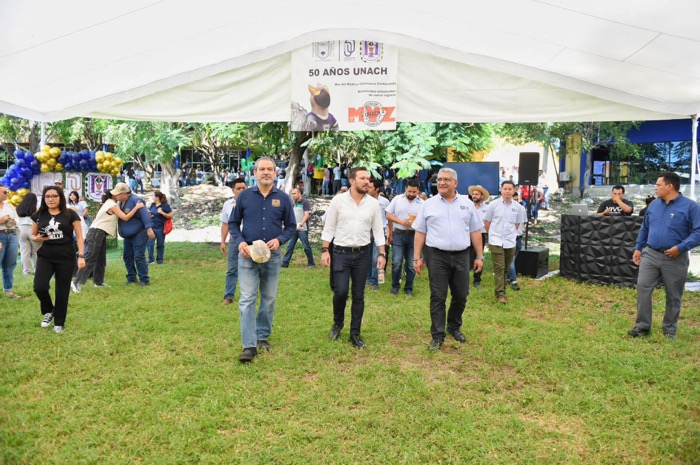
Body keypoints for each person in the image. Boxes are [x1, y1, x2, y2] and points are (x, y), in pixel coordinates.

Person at [229, 157, 296, 362]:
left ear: (276, 173)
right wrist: (240, 241)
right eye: (262, 169)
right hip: (248, 254)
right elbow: (233, 223)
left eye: (270, 169)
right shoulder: (244, 197)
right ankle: (249, 346)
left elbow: (291, 227)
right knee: (247, 298)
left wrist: (280, 240)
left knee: (268, 298)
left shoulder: (284, 198)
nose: (266, 172)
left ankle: (262, 336)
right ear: (255, 173)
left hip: (272, 256)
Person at [413, 167, 484, 350]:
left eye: (446, 179)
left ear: (456, 183)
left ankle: (454, 326)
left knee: (461, 295)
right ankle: (437, 335)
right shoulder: (428, 204)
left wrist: (479, 256)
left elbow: (476, 231)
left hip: (462, 255)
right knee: (438, 296)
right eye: (439, 180)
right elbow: (420, 232)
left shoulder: (467, 204)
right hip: (436, 255)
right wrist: (417, 258)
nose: (442, 183)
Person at [629, 172, 700, 340]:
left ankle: (669, 329)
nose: (655, 188)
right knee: (643, 288)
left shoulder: (691, 207)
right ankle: (642, 326)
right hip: (650, 254)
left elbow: (698, 232)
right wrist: (638, 248)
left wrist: (681, 247)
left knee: (674, 294)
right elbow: (645, 228)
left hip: (675, 257)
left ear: (669, 186)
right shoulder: (653, 205)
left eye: (658, 185)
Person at [322, 167, 386, 349]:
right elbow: (329, 227)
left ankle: (355, 333)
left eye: (368, 179)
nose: (368, 182)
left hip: (362, 254)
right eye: (363, 178)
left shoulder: (373, 204)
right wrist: (325, 250)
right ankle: (337, 323)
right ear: (352, 181)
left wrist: (381, 253)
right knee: (340, 291)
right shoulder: (338, 201)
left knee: (359, 295)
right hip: (341, 253)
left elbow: (378, 230)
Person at [31, 185, 86, 333]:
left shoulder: (70, 214)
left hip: (66, 257)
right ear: (44, 198)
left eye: (54, 196)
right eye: (47, 196)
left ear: (60, 197)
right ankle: (49, 310)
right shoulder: (39, 214)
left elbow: (80, 236)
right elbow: (33, 235)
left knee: (62, 290)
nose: (51, 199)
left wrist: (81, 256)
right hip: (45, 256)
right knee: (39, 287)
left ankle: (59, 322)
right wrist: (37, 238)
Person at [71, 192, 144, 292]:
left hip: (100, 233)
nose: (119, 195)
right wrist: (137, 207)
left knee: (100, 259)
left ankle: (98, 282)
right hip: (97, 232)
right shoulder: (112, 204)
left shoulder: (109, 203)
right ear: (113, 196)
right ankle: (77, 282)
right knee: (91, 257)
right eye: (117, 194)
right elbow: (125, 217)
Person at [483, 181, 527, 305]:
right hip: (496, 240)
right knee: (499, 268)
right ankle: (500, 294)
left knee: (506, 268)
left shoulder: (519, 208)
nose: (507, 191)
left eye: (510, 189)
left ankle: (503, 289)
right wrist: (491, 237)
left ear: (514, 191)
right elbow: (487, 222)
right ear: (501, 190)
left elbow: (519, 224)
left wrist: (512, 234)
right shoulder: (493, 205)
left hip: (510, 241)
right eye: (505, 189)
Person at [111, 182, 155, 286]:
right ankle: (131, 278)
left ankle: (144, 280)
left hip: (139, 233)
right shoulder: (120, 203)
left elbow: (145, 215)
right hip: (128, 235)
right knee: (127, 256)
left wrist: (149, 228)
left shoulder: (136, 200)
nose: (115, 196)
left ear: (125, 194)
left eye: (117, 194)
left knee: (139, 256)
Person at [385, 179, 423, 296]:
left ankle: (408, 288)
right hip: (399, 234)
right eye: (410, 191)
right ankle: (395, 286)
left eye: (414, 192)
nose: (411, 194)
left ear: (418, 191)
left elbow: (425, 221)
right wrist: (400, 221)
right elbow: (388, 215)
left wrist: (415, 224)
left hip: (414, 236)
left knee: (412, 264)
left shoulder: (422, 203)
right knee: (397, 262)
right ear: (405, 189)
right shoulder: (397, 200)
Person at [220, 177, 247, 305]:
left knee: (251, 267)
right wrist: (222, 241)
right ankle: (228, 296)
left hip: (249, 240)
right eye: (238, 188)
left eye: (243, 188)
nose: (241, 190)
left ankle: (250, 293)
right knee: (232, 269)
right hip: (235, 240)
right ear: (233, 190)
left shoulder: (252, 203)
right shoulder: (228, 205)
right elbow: (225, 224)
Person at [366, 178, 390, 291]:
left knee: (377, 257)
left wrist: (389, 234)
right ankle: (367, 278)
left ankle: (374, 281)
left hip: (380, 232)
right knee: (367, 256)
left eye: (370, 187)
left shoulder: (384, 202)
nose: (368, 189)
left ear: (377, 189)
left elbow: (389, 218)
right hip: (366, 231)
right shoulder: (364, 200)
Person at [282, 188, 315, 268]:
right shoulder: (292, 203)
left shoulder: (305, 202)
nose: (293, 195)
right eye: (292, 194)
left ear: (299, 193)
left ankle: (311, 263)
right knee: (290, 246)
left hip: (302, 229)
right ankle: (285, 263)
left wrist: (301, 224)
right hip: (294, 228)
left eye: (295, 193)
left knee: (306, 246)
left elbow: (306, 214)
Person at [0, 184, 21, 298]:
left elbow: (17, 219)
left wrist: (13, 221)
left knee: (10, 264)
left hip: (11, 235)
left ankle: (8, 290)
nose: (7, 194)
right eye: (4, 192)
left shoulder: (9, 206)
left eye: (7, 192)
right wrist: (1, 220)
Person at [468, 184, 490, 289]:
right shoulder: (468, 206)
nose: (474, 196)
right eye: (473, 194)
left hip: (481, 235)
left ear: (482, 196)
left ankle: (477, 280)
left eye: (477, 194)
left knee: (479, 256)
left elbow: (489, 223)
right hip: (467, 234)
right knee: (465, 256)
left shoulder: (487, 208)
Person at [147, 191, 174, 265]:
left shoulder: (165, 206)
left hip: (160, 228)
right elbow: (150, 213)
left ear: (157, 197)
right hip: (152, 227)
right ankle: (150, 259)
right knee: (149, 243)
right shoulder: (152, 205)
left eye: (153, 196)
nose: (152, 197)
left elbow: (171, 216)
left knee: (160, 244)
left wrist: (162, 213)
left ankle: (160, 260)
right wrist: (150, 216)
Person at [16, 193, 40, 275]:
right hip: (32, 228)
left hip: (21, 229)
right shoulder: (35, 208)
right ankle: (37, 270)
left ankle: (26, 271)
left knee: (24, 252)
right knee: (36, 251)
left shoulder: (19, 208)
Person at [507, 191, 524, 291]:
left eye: (517, 199)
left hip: (516, 238)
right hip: (514, 237)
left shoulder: (519, 209)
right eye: (515, 199)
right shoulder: (520, 208)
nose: (516, 201)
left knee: (511, 261)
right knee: (511, 260)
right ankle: (510, 278)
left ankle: (512, 280)